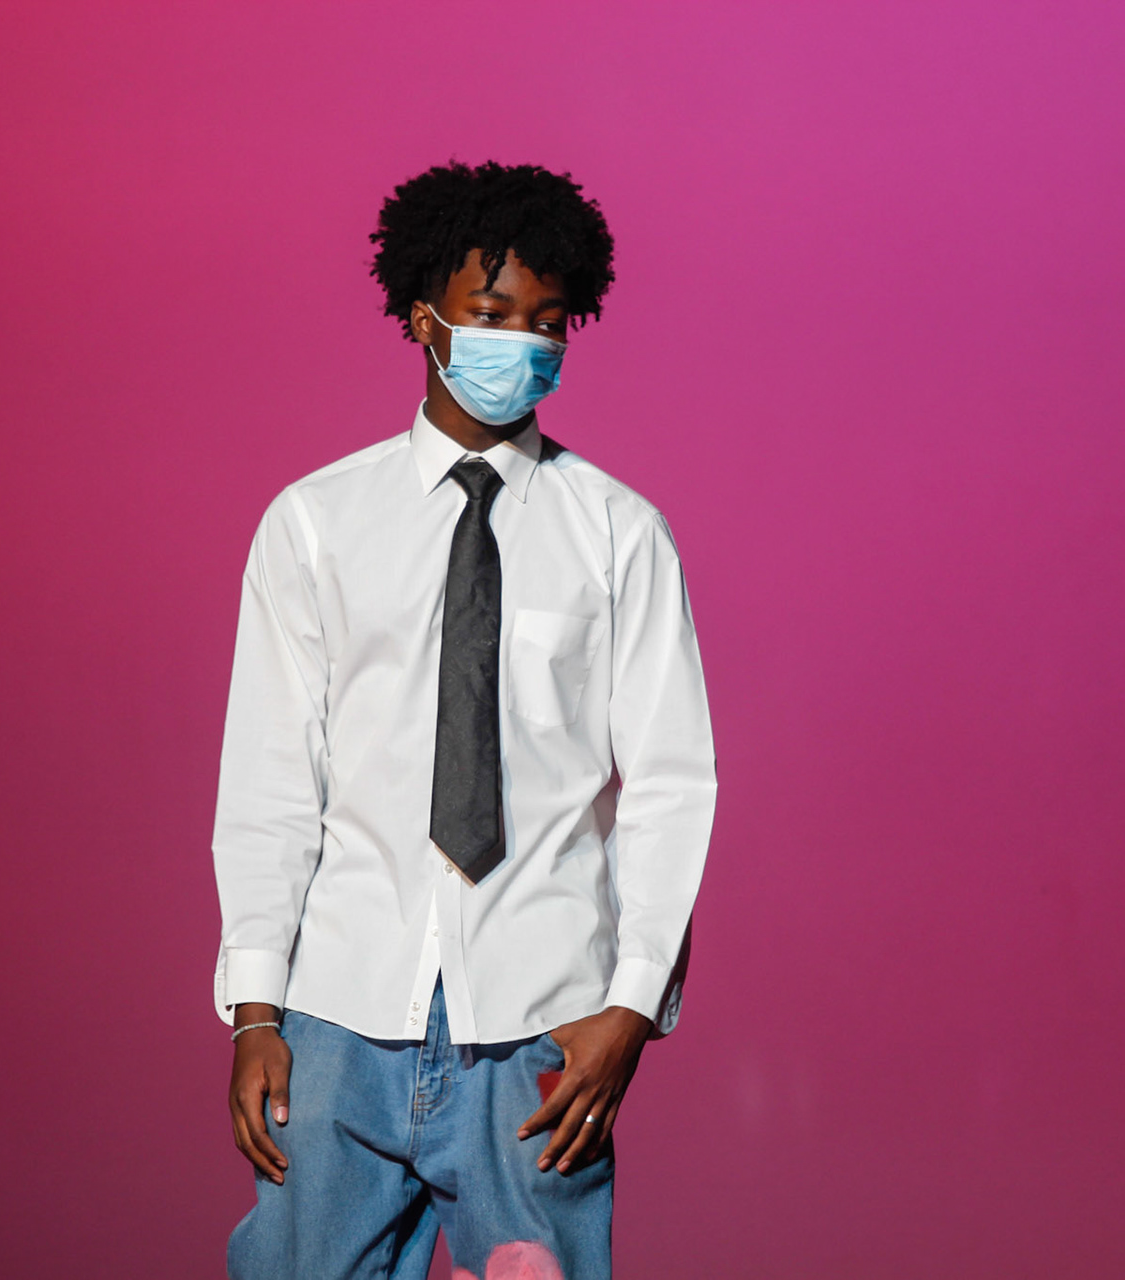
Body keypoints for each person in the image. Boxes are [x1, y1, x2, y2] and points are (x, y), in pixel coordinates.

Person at [211, 159, 717, 1280]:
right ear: (421, 317)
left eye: (546, 321)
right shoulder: (315, 525)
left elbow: (672, 784)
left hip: (541, 1024)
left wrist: (632, 1008)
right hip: (338, 1016)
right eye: (490, 314)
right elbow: (271, 782)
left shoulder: (619, 534)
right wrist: (256, 1013)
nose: (519, 343)